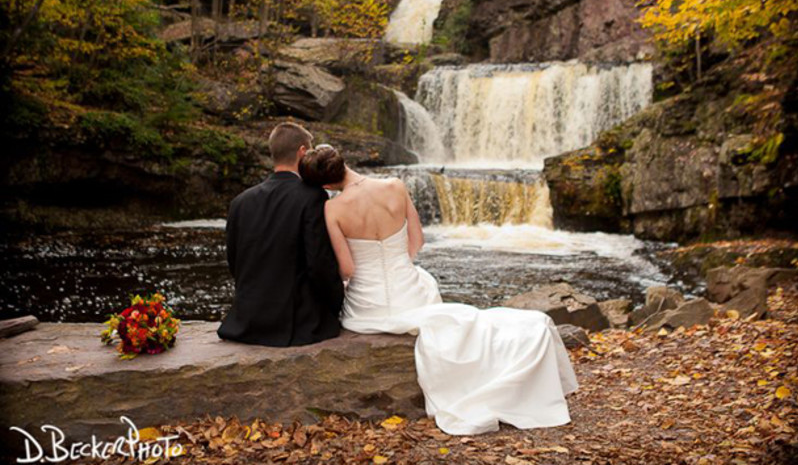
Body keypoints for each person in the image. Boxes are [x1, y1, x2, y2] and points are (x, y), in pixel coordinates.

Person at [299, 145, 579, 436]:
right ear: (343, 162)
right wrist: (401, 270)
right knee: (431, 288)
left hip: (367, 308)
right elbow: (416, 241)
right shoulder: (395, 186)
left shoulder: (333, 208)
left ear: (327, 185)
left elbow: (347, 269)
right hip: (410, 291)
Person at [217, 123, 344, 347]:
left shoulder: (240, 201)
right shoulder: (313, 196)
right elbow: (319, 264)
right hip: (295, 324)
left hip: (247, 320)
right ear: (303, 152)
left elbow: (235, 263)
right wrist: (337, 304)